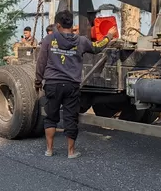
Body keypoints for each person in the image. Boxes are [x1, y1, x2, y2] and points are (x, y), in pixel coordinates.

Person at [35, 10, 118, 158]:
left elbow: (41, 62)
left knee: (51, 117)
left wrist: (38, 81)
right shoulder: (81, 41)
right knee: (70, 118)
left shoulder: (48, 40)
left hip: (52, 84)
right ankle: (71, 152)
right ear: (71, 24)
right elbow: (97, 47)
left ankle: (49, 150)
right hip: (71, 85)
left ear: (58, 25)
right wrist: (109, 36)